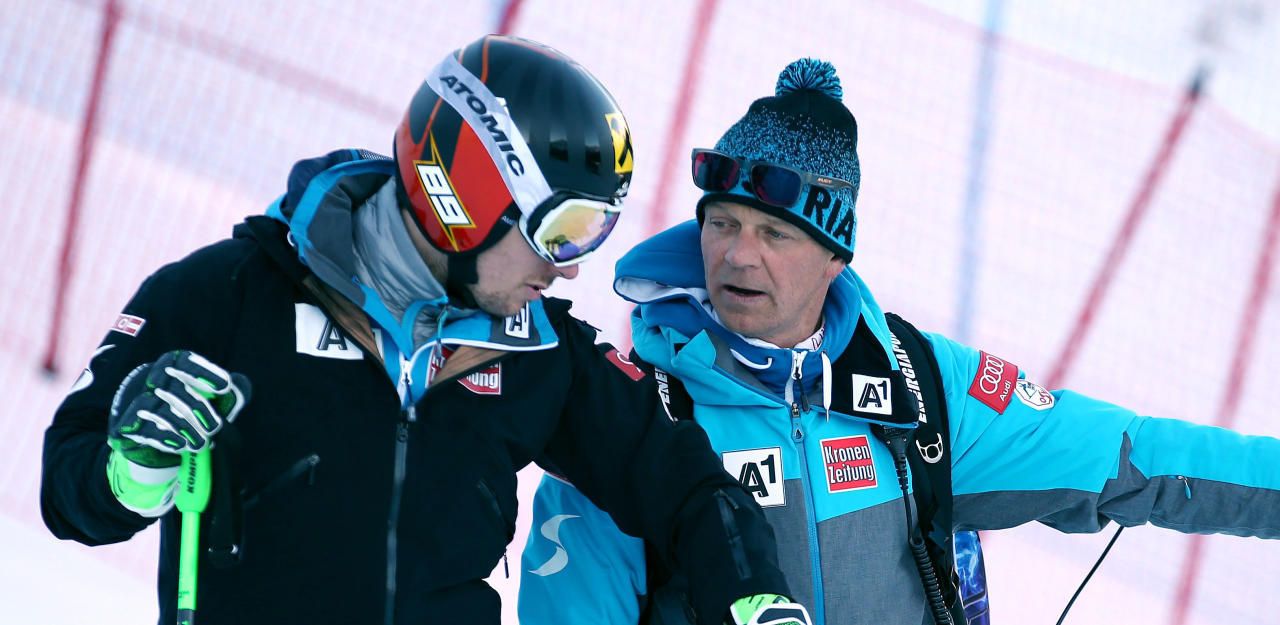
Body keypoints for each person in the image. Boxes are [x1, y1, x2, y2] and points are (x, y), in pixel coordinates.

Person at [39, 35, 813, 625]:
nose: (569, 267)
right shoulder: (230, 295)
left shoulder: (540, 353)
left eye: (594, 233)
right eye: (563, 229)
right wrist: (129, 475)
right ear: (466, 191)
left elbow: (685, 482)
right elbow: (67, 486)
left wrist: (754, 597)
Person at [518, 58, 1280, 625]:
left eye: (775, 232)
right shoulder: (631, 418)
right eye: (722, 223)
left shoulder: (926, 386)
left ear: (835, 255)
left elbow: (1133, 456)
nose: (737, 255)